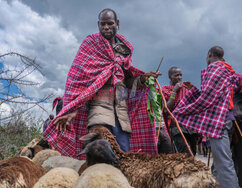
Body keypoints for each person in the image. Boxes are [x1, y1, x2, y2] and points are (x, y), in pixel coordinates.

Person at [43, 9, 161, 157]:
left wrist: (143, 79)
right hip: (99, 109)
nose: (106, 27)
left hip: (121, 111)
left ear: (117, 24)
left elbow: (128, 80)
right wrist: (72, 111)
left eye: (110, 23)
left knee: (123, 154)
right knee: (98, 154)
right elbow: (80, 81)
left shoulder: (124, 51)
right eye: (103, 24)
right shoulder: (91, 45)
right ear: (98, 25)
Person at [173, 46, 239, 188]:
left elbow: (207, 99)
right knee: (222, 161)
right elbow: (213, 94)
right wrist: (194, 90)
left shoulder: (214, 68)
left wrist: (183, 110)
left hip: (219, 123)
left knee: (223, 163)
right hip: (226, 121)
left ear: (209, 55)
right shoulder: (226, 70)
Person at [161, 67, 197, 155]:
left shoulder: (186, 89)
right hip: (176, 126)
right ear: (170, 77)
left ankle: (191, 168)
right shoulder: (164, 90)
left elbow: (195, 105)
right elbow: (166, 110)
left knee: (193, 153)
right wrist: (174, 91)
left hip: (190, 126)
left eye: (181, 75)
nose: (180, 78)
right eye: (177, 75)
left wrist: (192, 89)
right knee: (185, 154)